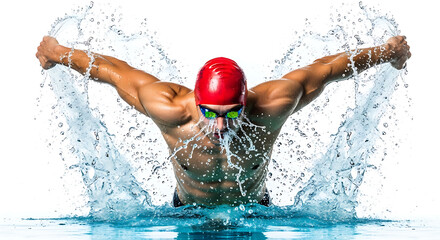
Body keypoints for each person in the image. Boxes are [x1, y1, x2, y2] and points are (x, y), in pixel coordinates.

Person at [36, 35, 411, 207]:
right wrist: (56, 52)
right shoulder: (170, 109)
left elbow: (326, 69)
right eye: (210, 113)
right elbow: (113, 71)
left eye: (232, 112)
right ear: (195, 102)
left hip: (256, 211)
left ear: (246, 101)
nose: (221, 126)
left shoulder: (272, 104)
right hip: (187, 211)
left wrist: (386, 52)